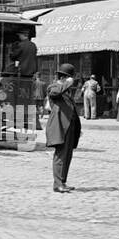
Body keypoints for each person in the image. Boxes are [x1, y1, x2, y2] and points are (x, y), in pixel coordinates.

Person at [44, 63, 82, 193]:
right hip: (59, 126)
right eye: (69, 78)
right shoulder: (54, 86)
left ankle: (63, 182)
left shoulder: (67, 91)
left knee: (68, 155)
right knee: (60, 155)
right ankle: (57, 184)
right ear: (63, 77)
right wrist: (68, 83)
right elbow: (55, 93)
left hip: (69, 126)